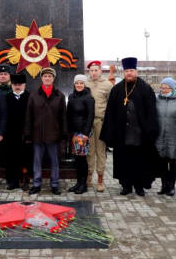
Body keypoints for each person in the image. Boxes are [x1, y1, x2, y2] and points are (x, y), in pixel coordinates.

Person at [100, 57, 159, 196]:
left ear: (136, 71)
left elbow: (151, 112)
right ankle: (126, 185)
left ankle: (139, 186)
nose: (129, 73)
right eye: (127, 71)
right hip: (123, 134)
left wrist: (151, 130)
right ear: (124, 72)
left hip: (140, 134)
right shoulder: (117, 90)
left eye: (131, 70)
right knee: (124, 160)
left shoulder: (146, 88)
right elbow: (110, 113)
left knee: (139, 161)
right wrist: (110, 133)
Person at [24, 67, 67, 195]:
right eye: (45, 76)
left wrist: (64, 134)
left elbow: (63, 117)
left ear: (53, 79)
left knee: (54, 161)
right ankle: (37, 184)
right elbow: (28, 116)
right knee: (37, 161)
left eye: (50, 76)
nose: (47, 78)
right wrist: (27, 133)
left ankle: (54, 185)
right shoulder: (34, 94)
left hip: (54, 135)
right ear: (41, 78)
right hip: (37, 135)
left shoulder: (59, 95)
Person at [155, 77, 176, 197]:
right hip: (160, 137)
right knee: (162, 163)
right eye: (162, 87)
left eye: (166, 87)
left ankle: (172, 186)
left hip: (174, 136)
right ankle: (164, 186)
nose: (163, 90)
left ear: (172, 88)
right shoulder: (157, 100)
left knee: (172, 163)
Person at [85, 60, 112, 192]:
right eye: (91, 70)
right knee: (89, 150)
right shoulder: (85, 84)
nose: (94, 72)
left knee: (100, 151)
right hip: (87, 123)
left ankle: (100, 179)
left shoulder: (107, 85)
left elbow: (111, 105)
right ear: (88, 72)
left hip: (101, 121)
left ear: (100, 71)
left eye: (96, 70)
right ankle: (89, 176)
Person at [67, 74, 95, 194]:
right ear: (74, 84)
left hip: (82, 134)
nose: (79, 85)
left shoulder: (89, 98)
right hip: (73, 133)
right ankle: (78, 182)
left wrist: (85, 133)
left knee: (82, 160)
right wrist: (69, 132)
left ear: (85, 85)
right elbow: (68, 114)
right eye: (77, 83)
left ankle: (83, 184)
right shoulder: (71, 96)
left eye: (81, 83)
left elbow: (90, 116)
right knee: (76, 160)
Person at [6, 73, 32, 191]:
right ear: (12, 85)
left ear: (24, 85)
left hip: (26, 134)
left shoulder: (30, 97)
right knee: (11, 158)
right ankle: (13, 181)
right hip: (11, 134)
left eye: (20, 84)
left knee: (26, 159)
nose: (17, 87)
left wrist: (29, 133)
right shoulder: (6, 97)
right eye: (15, 84)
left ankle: (25, 180)